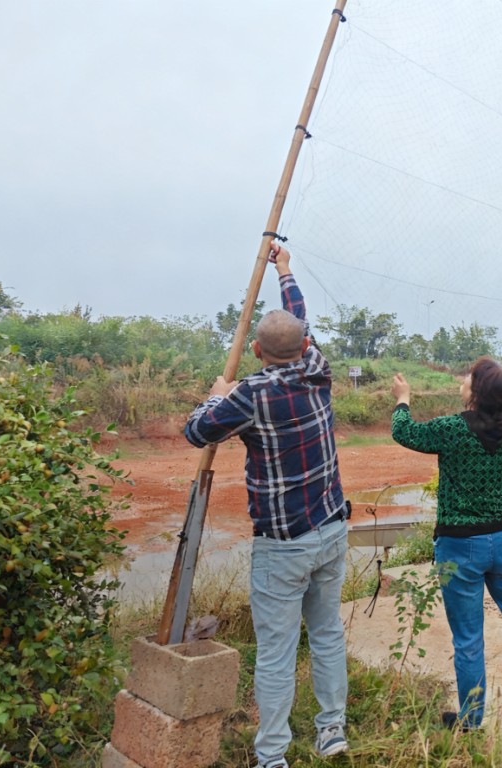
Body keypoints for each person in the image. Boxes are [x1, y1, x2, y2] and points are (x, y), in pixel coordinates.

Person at [184, 244, 349, 766]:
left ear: (255, 349)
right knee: (326, 634)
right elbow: (299, 321)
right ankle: (332, 731)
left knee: (277, 653)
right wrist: (285, 271)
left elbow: (196, 432)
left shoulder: (249, 395)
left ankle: (273, 756)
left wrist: (216, 393)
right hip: (330, 531)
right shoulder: (318, 368)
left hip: (284, 547)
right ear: (303, 347)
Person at [390, 358, 502, 735]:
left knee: (469, 638)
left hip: (461, 545)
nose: (463, 380)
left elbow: (404, 433)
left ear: (477, 390)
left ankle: (471, 722)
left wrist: (403, 399)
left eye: (469, 377)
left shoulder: (453, 429)